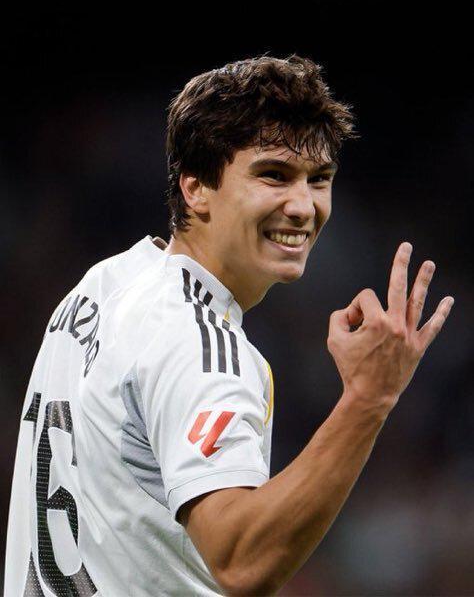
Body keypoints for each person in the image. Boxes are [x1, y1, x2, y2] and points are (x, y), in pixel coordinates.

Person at [5, 55, 454, 596]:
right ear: (195, 187)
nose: (303, 206)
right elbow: (242, 562)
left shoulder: (103, 285)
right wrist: (369, 399)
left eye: (319, 180)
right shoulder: (199, 342)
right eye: (273, 175)